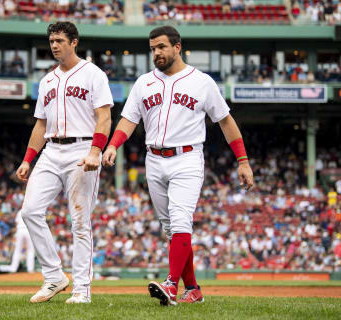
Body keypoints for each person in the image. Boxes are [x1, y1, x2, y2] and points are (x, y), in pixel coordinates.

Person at [102, 26, 253, 306]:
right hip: (154, 159)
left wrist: (243, 161)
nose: (156, 53)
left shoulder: (202, 82)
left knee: (181, 220)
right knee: (171, 229)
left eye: (161, 47)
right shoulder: (143, 82)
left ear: (177, 47)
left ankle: (171, 285)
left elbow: (225, 121)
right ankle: (193, 289)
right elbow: (128, 120)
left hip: (187, 157)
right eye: (152, 48)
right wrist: (112, 145)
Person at [16, 21, 113, 304]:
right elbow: (40, 125)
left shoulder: (93, 74)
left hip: (82, 148)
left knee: (80, 221)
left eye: (59, 40)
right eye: (51, 40)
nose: (54, 45)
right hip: (50, 149)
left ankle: (82, 289)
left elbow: (104, 117)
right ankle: (55, 276)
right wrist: (27, 160)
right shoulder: (47, 80)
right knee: (30, 211)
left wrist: (96, 151)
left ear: (74, 42)